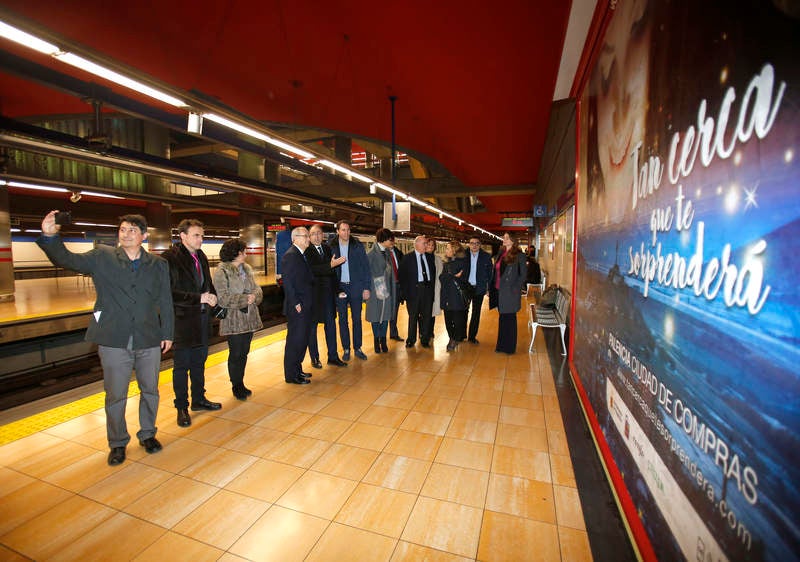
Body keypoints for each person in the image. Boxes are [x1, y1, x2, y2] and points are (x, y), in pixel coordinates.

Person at [36, 211, 173, 466]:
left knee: (150, 390)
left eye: (133, 230)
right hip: (113, 338)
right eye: (123, 229)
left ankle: (148, 434)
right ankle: (118, 442)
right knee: (115, 394)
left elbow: (165, 300)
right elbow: (67, 260)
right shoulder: (102, 256)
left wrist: (168, 333)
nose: (126, 234)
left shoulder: (158, 264)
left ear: (143, 236)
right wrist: (50, 236)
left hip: (148, 337)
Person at [162, 219, 222, 427]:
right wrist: (198, 298)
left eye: (202, 235)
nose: (201, 239)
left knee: (199, 363)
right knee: (181, 367)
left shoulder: (201, 256)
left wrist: (212, 296)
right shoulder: (169, 258)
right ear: (183, 236)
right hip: (182, 321)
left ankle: (198, 399)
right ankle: (181, 407)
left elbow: (207, 283)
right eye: (196, 235)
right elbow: (168, 293)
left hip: (202, 319)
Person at [213, 238, 263, 400]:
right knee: (236, 353)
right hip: (234, 320)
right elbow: (222, 298)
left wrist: (254, 296)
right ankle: (236, 385)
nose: (246, 254)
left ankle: (241, 382)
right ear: (236, 253)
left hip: (249, 319)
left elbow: (257, 289)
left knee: (244, 352)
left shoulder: (246, 269)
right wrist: (244, 299)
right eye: (243, 251)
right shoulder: (222, 272)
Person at [304, 224, 347, 368]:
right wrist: (331, 265)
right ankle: (315, 358)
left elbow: (333, 274)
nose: (316, 236)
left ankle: (333, 356)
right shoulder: (307, 252)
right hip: (313, 296)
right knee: (312, 328)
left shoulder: (328, 249)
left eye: (319, 233)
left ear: (323, 235)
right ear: (309, 237)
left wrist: (338, 290)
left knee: (330, 326)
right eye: (313, 234)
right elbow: (312, 270)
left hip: (328, 295)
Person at [328, 220, 370, 361]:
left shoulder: (357, 245)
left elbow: (365, 267)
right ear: (338, 231)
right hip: (340, 287)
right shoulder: (331, 246)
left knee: (356, 319)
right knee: (342, 320)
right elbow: (328, 269)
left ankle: (357, 347)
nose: (346, 233)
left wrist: (366, 287)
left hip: (356, 286)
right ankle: (346, 348)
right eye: (343, 230)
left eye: (348, 230)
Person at [282, 226, 313, 384]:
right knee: (295, 339)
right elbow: (288, 282)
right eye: (305, 236)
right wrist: (295, 303)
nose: (308, 238)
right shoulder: (291, 256)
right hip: (298, 306)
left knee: (302, 339)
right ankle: (291, 375)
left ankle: (297, 369)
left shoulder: (300, 255)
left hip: (305, 304)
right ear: (295, 238)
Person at [492, 232, 527, 354]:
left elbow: (523, 275)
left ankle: (510, 347)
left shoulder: (519, 255)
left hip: (510, 291)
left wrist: (515, 288)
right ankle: (501, 345)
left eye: (507, 238)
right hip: (499, 290)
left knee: (510, 318)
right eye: (504, 237)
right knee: (503, 318)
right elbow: (496, 272)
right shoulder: (501, 253)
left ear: (513, 241)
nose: (504, 239)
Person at [399, 235, 436, 348]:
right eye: (424, 243)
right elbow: (402, 277)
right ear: (417, 244)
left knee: (427, 316)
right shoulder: (407, 258)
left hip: (427, 290)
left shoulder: (429, 257)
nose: (426, 246)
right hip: (414, 291)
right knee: (413, 316)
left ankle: (425, 339)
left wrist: (432, 290)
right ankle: (411, 339)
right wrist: (405, 294)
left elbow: (432, 274)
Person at [365, 228, 398, 353]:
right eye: (390, 239)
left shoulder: (389, 253)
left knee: (385, 316)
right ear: (383, 239)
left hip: (387, 290)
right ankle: (376, 340)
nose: (391, 242)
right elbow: (366, 274)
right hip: (375, 292)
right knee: (375, 317)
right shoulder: (371, 254)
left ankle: (383, 340)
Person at [440, 240, 469, 351]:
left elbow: (463, 278)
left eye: (448, 248)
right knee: (448, 320)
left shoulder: (462, 263)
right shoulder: (447, 263)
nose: (446, 250)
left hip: (457, 296)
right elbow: (441, 278)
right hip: (447, 296)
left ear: (454, 250)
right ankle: (452, 338)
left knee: (457, 320)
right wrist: (453, 275)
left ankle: (454, 339)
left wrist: (449, 276)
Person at [465, 236, 493, 344]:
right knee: (463, 312)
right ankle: (462, 334)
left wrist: (489, 289)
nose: (474, 245)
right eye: (472, 243)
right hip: (466, 288)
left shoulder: (486, 256)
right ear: (469, 244)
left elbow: (490, 274)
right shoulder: (463, 254)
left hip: (479, 288)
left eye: (477, 243)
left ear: (480, 244)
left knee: (476, 313)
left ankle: (472, 337)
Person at [425, 236, 443, 344]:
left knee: (432, 313)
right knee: (423, 313)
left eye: (433, 245)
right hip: (424, 290)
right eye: (428, 244)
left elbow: (440, 275)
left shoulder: (438, 260)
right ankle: (423, 332)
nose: (430, 247)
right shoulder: (421, 258)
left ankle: (430, 331)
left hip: (434, 289)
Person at [387, 234, 405, 341]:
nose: (391, 242)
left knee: (395, 311)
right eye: (389, 240)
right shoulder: (383, 254)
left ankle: (393, 333)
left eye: (392, 240)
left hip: (398, 285)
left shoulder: (398, 253)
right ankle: (381, 337)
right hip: (388, 286)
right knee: (386, 311)